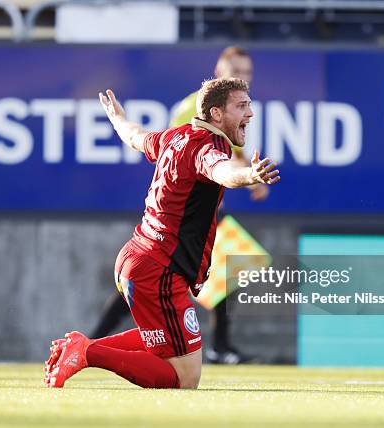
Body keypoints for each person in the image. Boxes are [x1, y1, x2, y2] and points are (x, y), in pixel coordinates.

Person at [44, 77, 280, 390]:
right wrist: (249, 174)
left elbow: (135, 136)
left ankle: (81, 347)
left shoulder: (176, 136)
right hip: (159, 270)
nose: (250, 113)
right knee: (185, 378)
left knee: (164, 342)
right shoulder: (206, 148)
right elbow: (222, 171)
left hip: (140, 259)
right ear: (216, 114)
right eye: (241, 106)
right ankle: (86, 352)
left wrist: (117, 118)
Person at [89, 46, 269, 365]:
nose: (244, 79)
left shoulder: (230, 115)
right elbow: (207, 159)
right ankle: (219, 345)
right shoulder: (196, 110)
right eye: (237, 73)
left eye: (248, 73)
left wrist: (248, 175)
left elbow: (144, 138)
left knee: (220, 269)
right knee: (180, 272)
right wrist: (244, 175)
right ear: (220, 75)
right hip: (188, 205)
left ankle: (98, 339)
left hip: (195, 204)